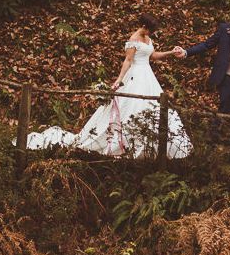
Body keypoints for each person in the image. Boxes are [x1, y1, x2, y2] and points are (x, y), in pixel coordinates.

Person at [23, 13, 192, 159]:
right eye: (150, 29)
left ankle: (156, 144)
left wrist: (171, 53)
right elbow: (128, 60)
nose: (151, 33)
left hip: (148, 76)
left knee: (155, 105)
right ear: (142, 26)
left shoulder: (148, 38)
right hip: (135, 75)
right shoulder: (133, 40)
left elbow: (152, 55)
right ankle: (126, 143)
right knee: (130, 106)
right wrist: (119, 79)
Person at [174, 5, 230, 157]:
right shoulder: (225, 29)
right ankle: (208, 151)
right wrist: (186, 52)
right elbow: (207, 44)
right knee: (223, 114)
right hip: (228, 78)